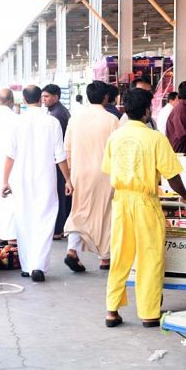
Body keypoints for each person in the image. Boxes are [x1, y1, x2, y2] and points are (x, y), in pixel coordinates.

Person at [102, 88, 186, 328]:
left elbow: (109, 169)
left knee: (120, 255)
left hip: (121, 201)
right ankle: (149, 312)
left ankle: (111, 310)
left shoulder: (115, 137)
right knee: (149, 256)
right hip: (145, 201)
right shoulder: (155, 138)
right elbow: (172, 175)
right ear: (146, 111)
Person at [2, 85, 73, 283]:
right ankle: (38, 266)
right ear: (40, 99)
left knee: (23, 219)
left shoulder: (16, 123)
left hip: (20, 178)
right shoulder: (52, 122)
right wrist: (67, 179)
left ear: (24, 100)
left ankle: (27, 266)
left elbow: (10, 155)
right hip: (46, 178)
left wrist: (4, 181)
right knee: (45, 219)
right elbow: (60, 155)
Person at [63, 81, 119, 272]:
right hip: (105, 173)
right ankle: (104, 258)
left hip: (80, 173)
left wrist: (69, 176)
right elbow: (118, 150)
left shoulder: (75, 119)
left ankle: (72, 250)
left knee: (79, 210)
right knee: (105, 213)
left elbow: (67, 149)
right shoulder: (112, 120)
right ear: (105, 97)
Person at [42, 84, 72, 240]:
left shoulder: (56, 115)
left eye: (47, 96)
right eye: (42, 96)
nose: (44, 99)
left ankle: (57, 229)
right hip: (62, 160)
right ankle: (60, 227)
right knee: (60, 194)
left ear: (56, 96)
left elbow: (57, 144)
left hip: (59, 161)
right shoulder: (59, 111)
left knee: (58, 195)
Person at [0, 88, 19, 242]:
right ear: (11, 101)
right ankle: (12, 237)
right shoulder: (15, 118)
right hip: (11, 165)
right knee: (11, 201)